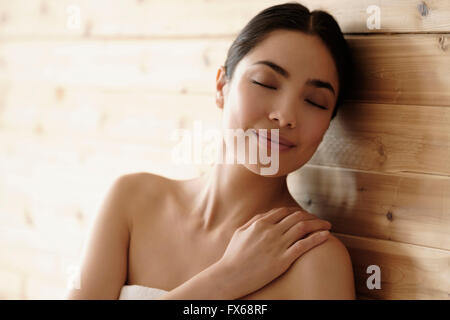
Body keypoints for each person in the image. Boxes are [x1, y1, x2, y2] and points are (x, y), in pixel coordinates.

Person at [65, 2, 355, 300]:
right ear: (221, 86)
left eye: (315, 102)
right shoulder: (132, 202)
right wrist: (226, 277)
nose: (285, 115)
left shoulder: (314, 260)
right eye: (265, 82)